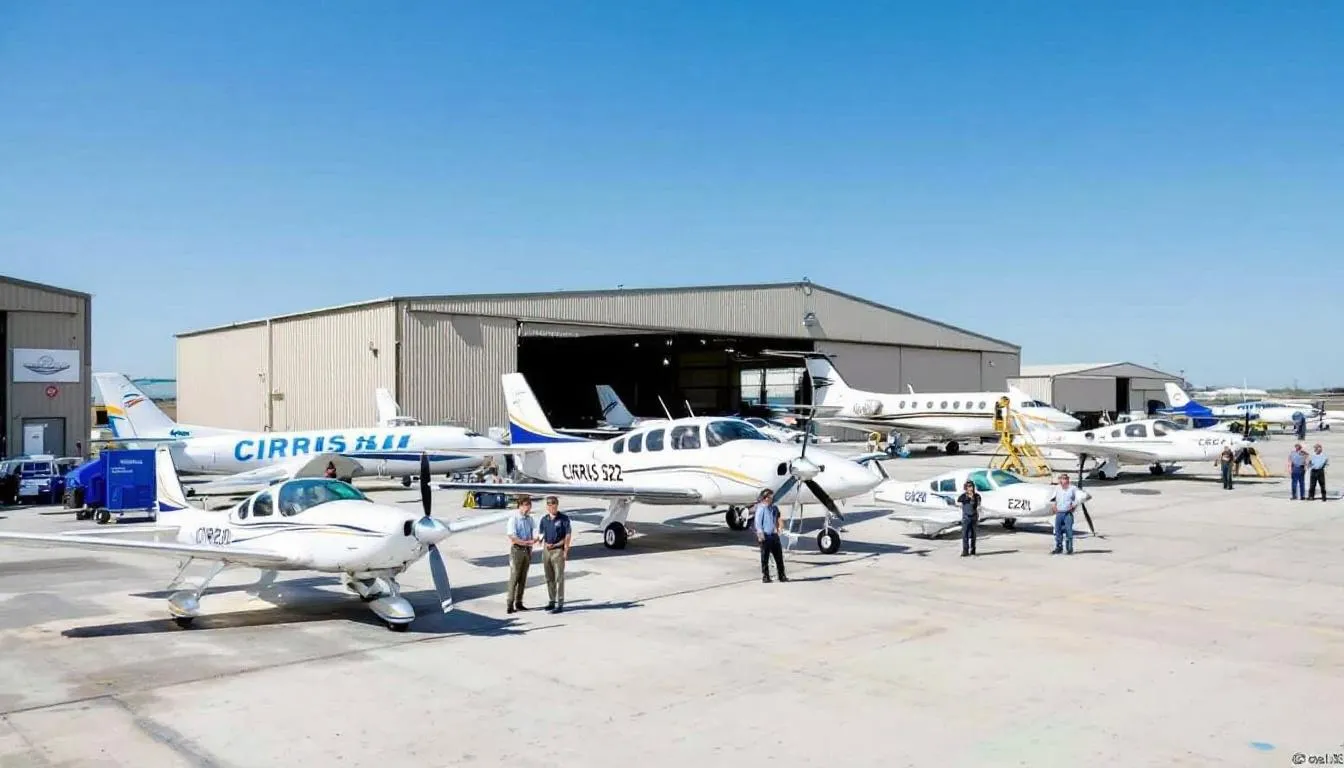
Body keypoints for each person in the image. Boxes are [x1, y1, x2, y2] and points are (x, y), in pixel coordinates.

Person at [504, 495, 538, 613]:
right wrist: (526, 542)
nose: (527, 508)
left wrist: (534, 540)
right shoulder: (514, 519)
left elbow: (534, 532)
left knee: (523, 578)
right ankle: (510, 603)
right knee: (514, 577)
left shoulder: (530, 519)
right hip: (517, 550)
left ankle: (519, 602)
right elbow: (512, 537)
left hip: (527, 551)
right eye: (525, 505)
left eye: (529, 505)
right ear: (520, 506)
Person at [538, 495, 571, 613]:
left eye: (553, 504)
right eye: (549, 504)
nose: (551, 506)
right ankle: (552, 601)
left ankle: (560, 603)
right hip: (546, 550)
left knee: (559, 578)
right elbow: (541, 533)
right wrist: (539, 541)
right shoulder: (544, 519)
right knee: (549, 577)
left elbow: (567, 536)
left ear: (557, 505)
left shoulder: (563, 519)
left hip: (558, 550)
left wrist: (565, 550)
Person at [752, 489, 787, 583]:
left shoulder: (774, 508)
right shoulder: (761, 508)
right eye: (769, 497)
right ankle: (766, 576)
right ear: (765, 498)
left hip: (774, 535)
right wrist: (760, 535)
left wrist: (780, 526)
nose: (771, 498)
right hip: (766, 536)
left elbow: (778, 517)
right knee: (765, 558)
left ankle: (782, 575)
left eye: (771, 497)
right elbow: (758, 523)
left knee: (779, 557)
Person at [1049, 474, 1079, 555]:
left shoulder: (1073, 488)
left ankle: (1069, 549)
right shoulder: (1057, 488)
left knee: (1069, 531)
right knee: (1058, 531)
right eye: (1062, 479)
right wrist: (1054, 506)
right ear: (1060, 480)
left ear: (1068, 480)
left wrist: (1074, 506)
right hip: (1059, 513)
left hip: (1067, 513)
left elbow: (1077, 499)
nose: (1064, 480)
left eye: (1065, 479)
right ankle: (1059, 547)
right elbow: (1053, 499)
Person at [956, 479, 980, 557]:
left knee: (973, 535)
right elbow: (959, 500)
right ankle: (965, 550)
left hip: (974, 517)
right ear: (966, 488)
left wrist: (972, 497)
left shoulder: (977, 496)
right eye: (968, 486)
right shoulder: (963, 496)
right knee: (965, 534)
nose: (970, 488)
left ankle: (973, 550)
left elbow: (977, 505)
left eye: (971, 486)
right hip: (966, 517)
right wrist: (967, 496)